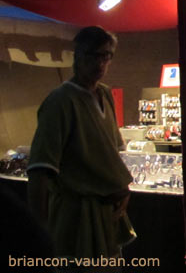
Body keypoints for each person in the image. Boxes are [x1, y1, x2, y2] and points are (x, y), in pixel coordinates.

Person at [27, 26, 136, 264]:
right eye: (92, 55)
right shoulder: (60, 102)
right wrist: (38, 233)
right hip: (76, 215)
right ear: (77, 56)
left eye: (105, 56)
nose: (100, 63)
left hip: (107, 215)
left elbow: (109, 153)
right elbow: (40, 171)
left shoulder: (105, 95)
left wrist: (121, 187)